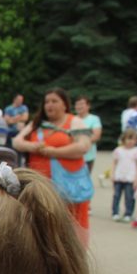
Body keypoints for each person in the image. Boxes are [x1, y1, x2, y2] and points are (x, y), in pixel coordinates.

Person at [13, 88, 92, 246]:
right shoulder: (37, 123)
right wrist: (33, 146)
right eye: (47, 101)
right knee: (41, 226)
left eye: (54, 101)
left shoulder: (74, 121)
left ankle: (73, 262)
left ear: (65, 105)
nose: (49, 105)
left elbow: (83, 147)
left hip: (69, 187)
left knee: (71, 227)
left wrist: (53, 151)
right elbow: (17, 141)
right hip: (40, 186)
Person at [110, 129, 137, 223]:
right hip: (119, 176)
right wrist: (112, 174)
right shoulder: (118, 150)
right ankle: (115, 212)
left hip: (130, 177)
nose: (131, 141)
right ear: (124, 139)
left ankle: (128, 213)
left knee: (129, 197)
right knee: (116, 195)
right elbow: (114, 163)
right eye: (129, 139)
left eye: (133, 139)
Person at [74, 96, 102, 174]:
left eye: (82, 104)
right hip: (72, 155)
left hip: (88, 156)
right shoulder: (72, 119)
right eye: (77, 104)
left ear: (88, 106)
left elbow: (96, 136)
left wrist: (81, 143)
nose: (79, 106)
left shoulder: (94, 119)